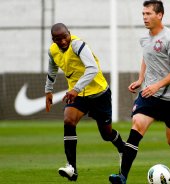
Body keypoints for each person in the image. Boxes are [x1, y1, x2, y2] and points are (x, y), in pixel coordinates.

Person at [109, 1, 170, 183]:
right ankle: (122, 176)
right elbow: (147, 57)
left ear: (159, 15)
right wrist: (141, 80)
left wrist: (157, 85)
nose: (144, 17)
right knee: (136, 125)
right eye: (143, 14)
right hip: (150, 95)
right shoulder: (144, 38)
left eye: (148, 14)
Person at [45, 23, 124, 182]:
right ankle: (71, 168)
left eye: (65, 37)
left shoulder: (78, 45)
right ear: (53, 40)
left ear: (69, 34)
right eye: (58, 39)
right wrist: (48, 90)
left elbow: (92, 68)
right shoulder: (52, 51)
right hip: (78, 96)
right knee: (68, 120)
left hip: (99, 94)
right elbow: (52, 69)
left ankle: (122, 148)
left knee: (107, 134)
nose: (63, 41)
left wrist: (76, 89)